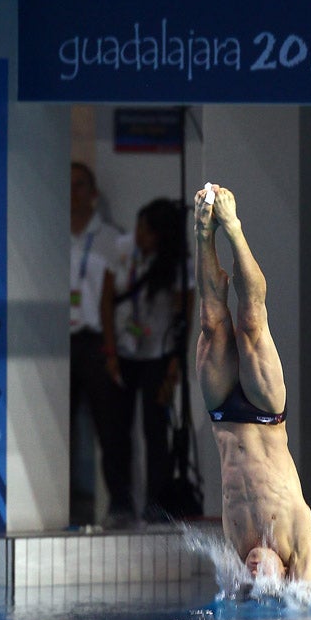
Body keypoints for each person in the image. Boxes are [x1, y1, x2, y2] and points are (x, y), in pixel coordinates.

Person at [194, 184, 311, 582]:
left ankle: (203, 234)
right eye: (264, 575)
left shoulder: (236, 551)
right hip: (265, 413)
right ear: (285, 573)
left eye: (252, 578)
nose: (252, 570)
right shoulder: (298, 543)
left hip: (223, 414)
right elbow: (304, 601)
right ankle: (233, 227)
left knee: (212, 323)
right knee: (251, 322)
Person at [101, 198, 194, 527]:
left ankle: (157, 501)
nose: (139, 235)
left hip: (157, 352)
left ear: (161, 235)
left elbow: (184, 312)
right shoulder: (123, 249)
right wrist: (110, 351)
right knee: (116, 430)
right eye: (138, 226)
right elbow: (107, 300)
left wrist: (174, 364)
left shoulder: (178, 263)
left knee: (155, 430)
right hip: (124, 350)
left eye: (147, 230)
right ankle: (120, 502)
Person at [70, 161, 122, 527]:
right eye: (68, 185)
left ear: (92, 193)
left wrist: (111, 348)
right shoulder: (49, 229)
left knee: (109, 426)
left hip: (94, 341)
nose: (72, 193)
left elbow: (110, 297)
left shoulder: (109, 237)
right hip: (58, 342)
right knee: (60, 427)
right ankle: (63, 500)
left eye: (79, 185)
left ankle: (119, 503)